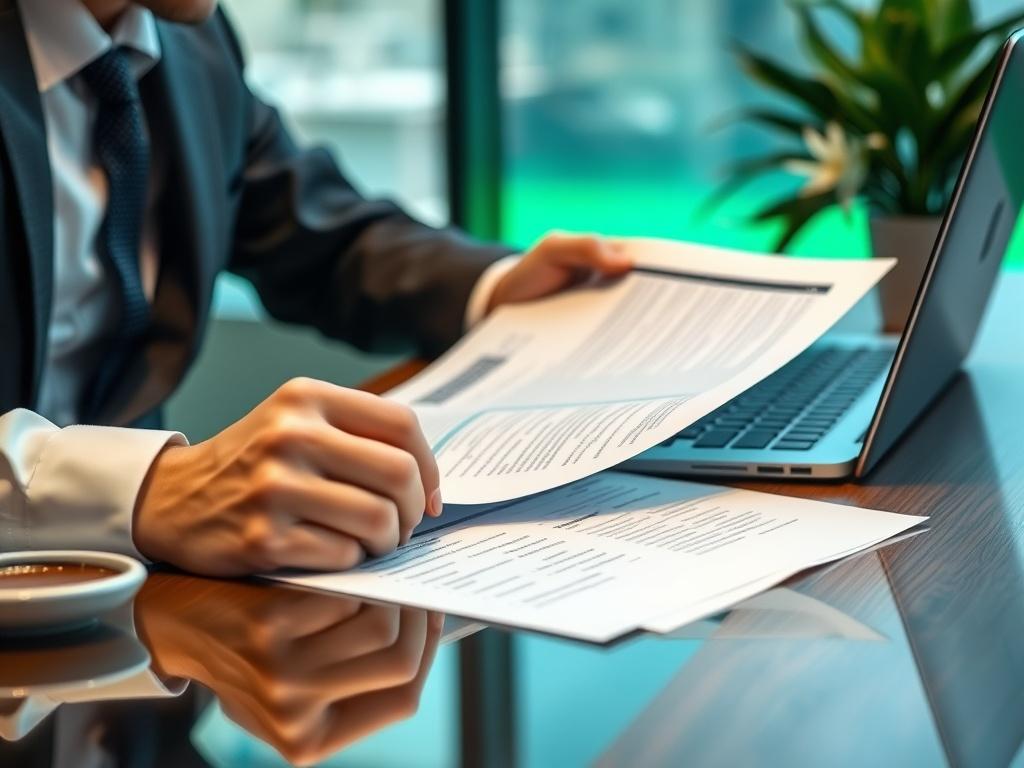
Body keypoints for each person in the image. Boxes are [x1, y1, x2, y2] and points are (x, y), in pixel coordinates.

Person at [0, 0, 633, 575]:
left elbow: (315, 232)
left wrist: (494, 288)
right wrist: (143, 489)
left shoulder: (187, 42)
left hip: (125, 599)